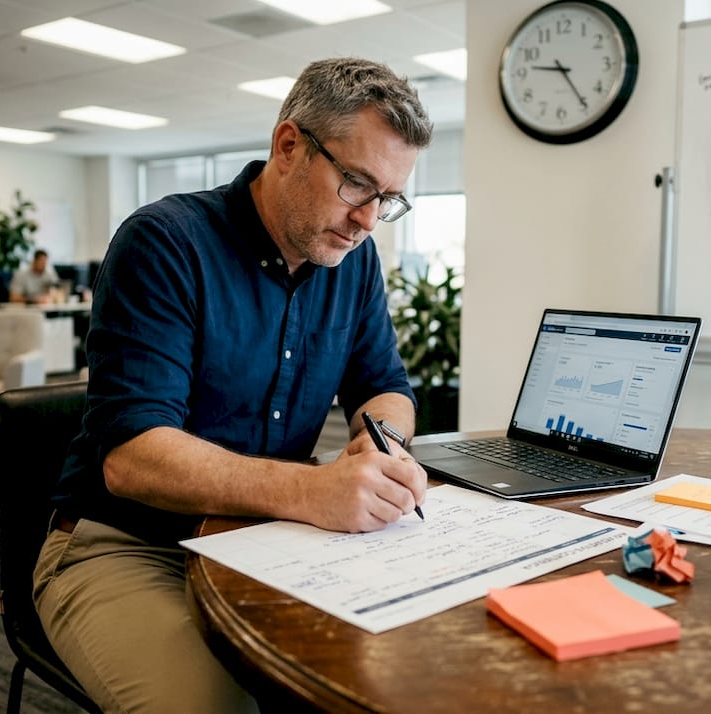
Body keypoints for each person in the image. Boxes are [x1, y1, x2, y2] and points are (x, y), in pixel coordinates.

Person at [36, 57, 433, 713]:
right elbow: (132, 458)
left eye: (387, 199)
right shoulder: (164, 244)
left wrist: (381, 444)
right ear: (289, 146)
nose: (368, 220)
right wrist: (312, 490)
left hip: (267, 537)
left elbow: (385, 386)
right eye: (357, 183)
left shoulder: (354, 263)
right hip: (130, 545)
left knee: (389, 670)